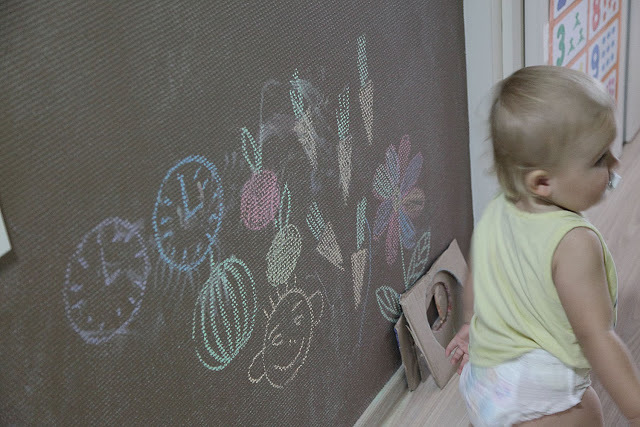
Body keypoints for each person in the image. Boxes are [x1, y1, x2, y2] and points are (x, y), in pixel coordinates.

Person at [444, 65, 640, 426]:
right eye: (599, 159)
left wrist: (469, 325)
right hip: (538, 398)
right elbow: (596, 337)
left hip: (484, 380)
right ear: (542, 182)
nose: (615, 163)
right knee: (588, 409)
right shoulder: (574, 243)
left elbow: (477, 275)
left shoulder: (497, 211)